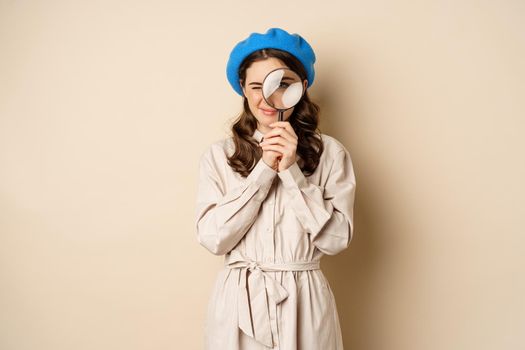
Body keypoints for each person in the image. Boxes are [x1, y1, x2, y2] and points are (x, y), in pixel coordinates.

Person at [195, 27, 357, 350]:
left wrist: (292, 173)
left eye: (283, 85)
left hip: (305, 305)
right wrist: (264, 171)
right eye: (257, 86)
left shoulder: (331, 154)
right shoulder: (219, 156)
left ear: (303, 86)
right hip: (239, 306)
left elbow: (337, 239)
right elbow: (213, 238)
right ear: (242, 88)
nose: (268, 99)